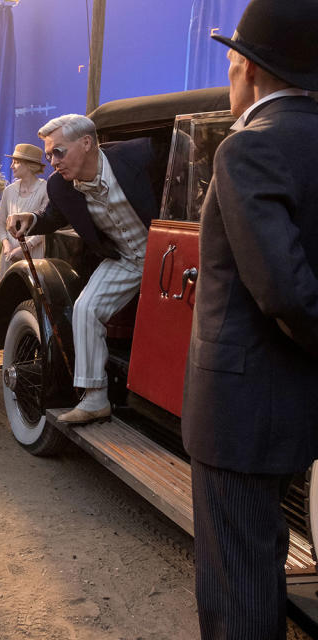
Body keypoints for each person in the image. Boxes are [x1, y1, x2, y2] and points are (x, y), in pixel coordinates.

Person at [181, 1, 318, 636]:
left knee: (237, 582)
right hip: (298, 400)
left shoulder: (246, 151)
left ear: (246, 67)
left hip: (239, 409)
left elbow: (285, 292)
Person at [6, 113, 163, 425]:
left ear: (87, 143)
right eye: (49, 154)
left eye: (58, 152)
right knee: (86, 308)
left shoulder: (139, 155)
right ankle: (95, 398)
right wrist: (33, 219)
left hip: (169, 257)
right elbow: (54, 215)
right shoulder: (60, 187)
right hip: (126, 260)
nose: (52, 161)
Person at [0, 143, 48, 279]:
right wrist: (6, 246)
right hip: (9, 255)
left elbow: (46, 225)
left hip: (33, 254)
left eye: (16, 162)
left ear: (29, 165)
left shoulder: (45, 189)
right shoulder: (9, 190)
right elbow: (1, 225)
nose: (11, 166)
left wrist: (24, 249)